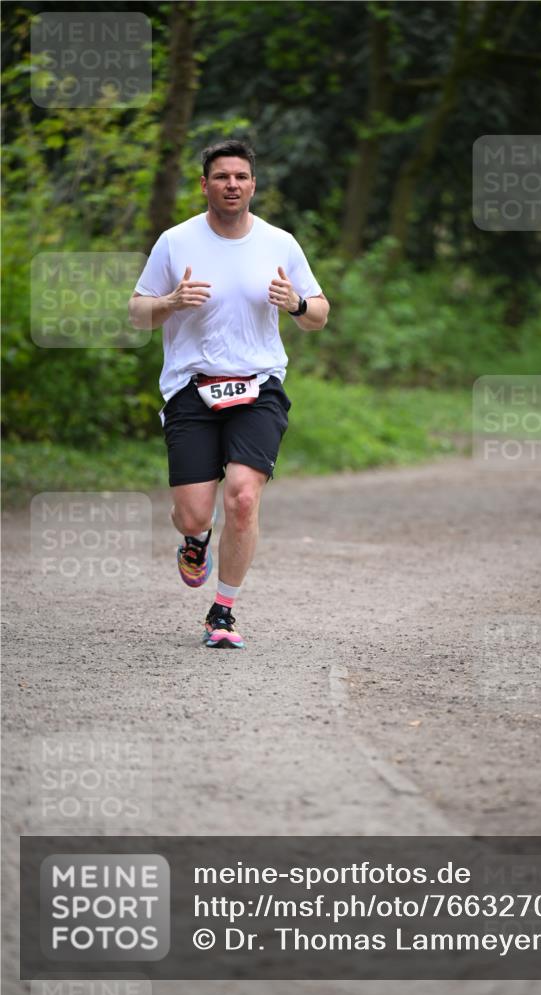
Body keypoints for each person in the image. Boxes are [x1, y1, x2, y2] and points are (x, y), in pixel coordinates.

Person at [128, 139, 329, 649]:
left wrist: (297, 302)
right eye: (221, 177)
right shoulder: (175, 242)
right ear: (204, 185)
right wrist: (170, 302)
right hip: (191, 389)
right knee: (194, 513)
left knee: (241, 497)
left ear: (254, 184)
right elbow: (137, 313)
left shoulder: (279, 243)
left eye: (241, 176)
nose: (232, 185)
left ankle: (223, 612)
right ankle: (195, 540)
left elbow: (320, 315)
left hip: (259, 385)